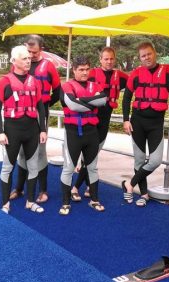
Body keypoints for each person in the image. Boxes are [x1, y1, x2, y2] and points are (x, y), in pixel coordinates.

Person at [121, 42, 169, 207]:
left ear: (155, 53)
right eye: (143, 56)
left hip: (156, 123)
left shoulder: (168, 70)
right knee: (139, 160)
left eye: (149, 54)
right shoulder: (136, 73)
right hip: (137, 121)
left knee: (155, 160)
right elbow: (126, 98)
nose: (147, 58)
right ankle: (144, 194)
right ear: (140, 58)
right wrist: (126, 120)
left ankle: (129, 184)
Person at [0, 45, 47, 214]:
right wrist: (0, 132)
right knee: (7, 167)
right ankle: (5, 203)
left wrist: (43, 129)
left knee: (33, 166)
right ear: (14, 60)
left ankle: (30, 202)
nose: (28, 60)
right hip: (12, 130)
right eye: (24, 58)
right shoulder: (4, 81)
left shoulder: (35, 82)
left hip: (31, 130)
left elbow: (40, 107)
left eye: (29, 58)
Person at [70, 47, 129, 202]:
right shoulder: (91, 74)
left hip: (104, 122)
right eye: (106, 59)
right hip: (89, 120)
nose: (109, 62)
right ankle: (76, 187)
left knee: (92, 156)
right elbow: (77, 88)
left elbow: (136, 83)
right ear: (100, 59)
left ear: (114, 59)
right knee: (90, 157)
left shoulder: (120, 76)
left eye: (111, 59)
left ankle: (88, 186)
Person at [8, 35, 61, 204]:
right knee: (23, 152)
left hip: (40, 112)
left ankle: (43, 190)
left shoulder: (48, 66)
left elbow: (58, 90)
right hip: (22, 114)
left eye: (34, 52)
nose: (30, 56)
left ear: (41, 50)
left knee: (39, 152)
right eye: (28, 52)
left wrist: (44, 105)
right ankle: (19, 188)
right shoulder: (18, 64)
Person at [59, 56, 107, 215]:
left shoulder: (95, 85)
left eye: (87, 69)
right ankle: (66, 203)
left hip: (91, 133)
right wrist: (91, 103)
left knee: (92, 167)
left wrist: (82, 100)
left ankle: (94, 200)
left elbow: (103, 100)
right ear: (74, 70)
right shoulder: (67, 86)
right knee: (69, 168)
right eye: (81, 70)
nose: (85, 72)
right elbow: (72, 105)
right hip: (73, 133)